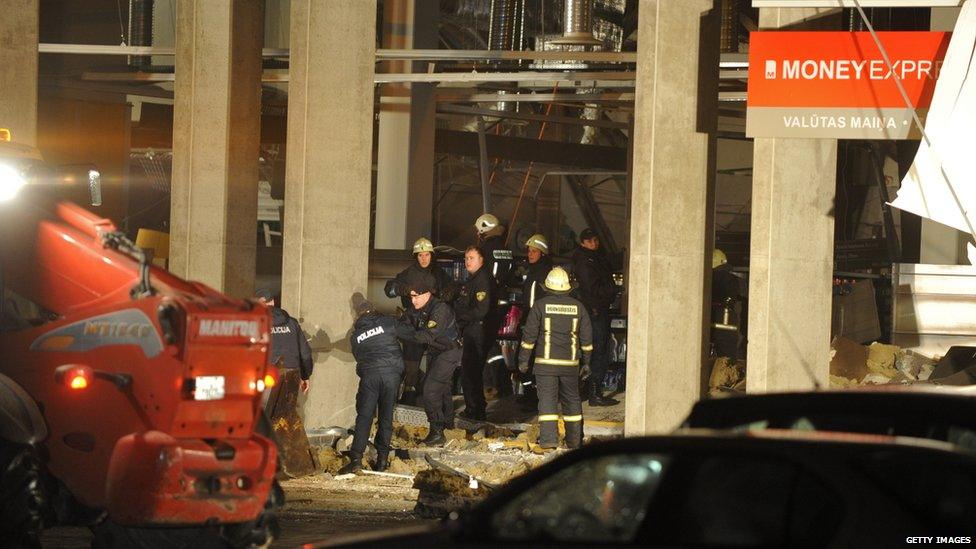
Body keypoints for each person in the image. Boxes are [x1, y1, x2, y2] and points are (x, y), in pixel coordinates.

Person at [518, 267, 592, 449]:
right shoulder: (579, 307)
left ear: (548, 287)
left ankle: (549, 440)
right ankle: (575, 441)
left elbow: (529, 337)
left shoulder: (540, 306)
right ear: (568, 288)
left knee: (547, 402)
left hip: (545, 366)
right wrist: (587, 362)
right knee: (572, 402)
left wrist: (523, 361)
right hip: (570, 365)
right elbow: (587, 338)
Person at [338, 295, 404, 475]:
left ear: (357, 313)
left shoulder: (356, 335)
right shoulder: (388, 322)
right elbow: (403, 335)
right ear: (373, 308)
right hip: (391, 375)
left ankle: (356, 460)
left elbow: (358, 356)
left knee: (364, 417)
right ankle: (382, 461)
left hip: (370, 377)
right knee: (386, 417)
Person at [384, 237, 454, 404]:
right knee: (411, 361)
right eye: (420, 255)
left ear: (431, 255)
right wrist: (403, 289)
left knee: (436, 361)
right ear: (415, 256)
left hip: (434, 323)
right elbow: (389, 290)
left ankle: (434, 396)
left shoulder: (439, 273)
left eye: (427, 255)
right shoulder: (408, 274)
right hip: (413, 323)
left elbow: (452, 288)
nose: (424, 258)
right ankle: (409, 393)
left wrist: (449, 293)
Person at [396, 272, 462, 446]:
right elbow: (404, 323)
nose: (413, 301)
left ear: (427, 294)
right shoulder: (417, 308)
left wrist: (397, 332)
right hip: (436, 351)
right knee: (443, 389)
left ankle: (437, 431)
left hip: (449, 352)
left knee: (430, 389)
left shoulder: (440, 309)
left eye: (416, 297)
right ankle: (447, 424)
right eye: (411, 297)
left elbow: (426, 336)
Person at [571, 229, 619, 407]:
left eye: (595, 240)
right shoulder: (586, 261)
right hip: (595, 311)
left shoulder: (594, 258)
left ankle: (588, 390)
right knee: (598, 350)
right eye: (590, 241)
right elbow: (592, 288)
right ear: (583, 242)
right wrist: (611, 291)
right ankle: (594, 392)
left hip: (596, 309)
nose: (594, 244)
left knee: (594, 350)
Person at [453, 246, 494, 421]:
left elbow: (481, 310)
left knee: (470, 372)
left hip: (477, 330)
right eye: (466, 258)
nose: (467, 261)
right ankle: (476, 407)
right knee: (471, 372)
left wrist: (461, 316)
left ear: (481, 260)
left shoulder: (482, 280)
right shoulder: (472, 279)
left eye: (471, 258)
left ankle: (475, 410)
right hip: (471, 329)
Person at [256, 288, 312, 395]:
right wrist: (305, 375)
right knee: (287, 410)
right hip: (291, 376)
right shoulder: (292, 323)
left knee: (265, 410)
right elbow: (305, 353)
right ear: (272, 302)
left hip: (266, 377)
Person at [474, 213, 513, 284]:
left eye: (478, 231)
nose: (478, 233)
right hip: (502, 290)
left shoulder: (485, 248)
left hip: (487, 290)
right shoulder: (504, 246)